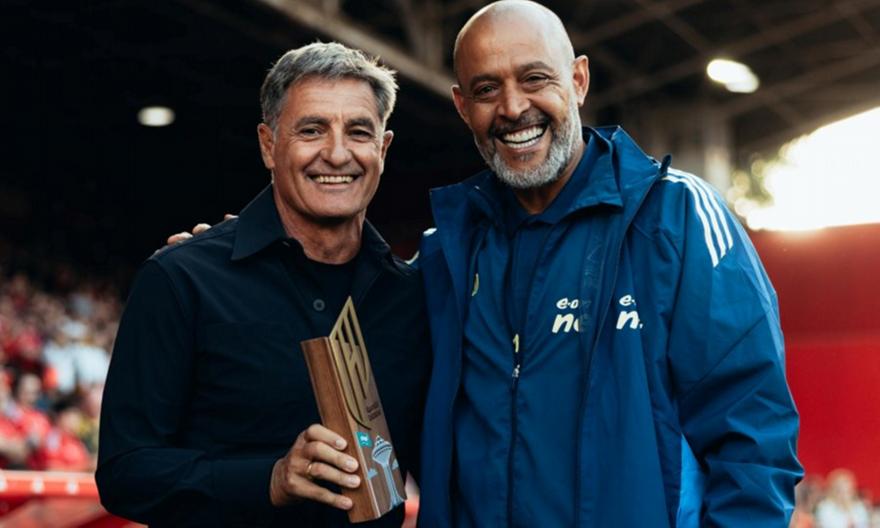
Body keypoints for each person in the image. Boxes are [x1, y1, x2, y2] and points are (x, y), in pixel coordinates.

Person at [414, 1, 802, 527]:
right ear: (462, 106)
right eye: (486, 89)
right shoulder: (446, 254)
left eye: (534, 78)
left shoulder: (676, 217)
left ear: (578, 80)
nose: (512, 107)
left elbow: (754, 441)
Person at [96, 42, 430, 527]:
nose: (337, 153)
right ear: (268, 145)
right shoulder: (181, 278)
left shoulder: (414, 298)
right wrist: (269, 480)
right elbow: (125, 473)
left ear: (383, 148)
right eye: (312, 130)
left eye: (359, 132)